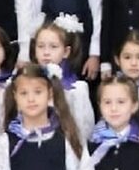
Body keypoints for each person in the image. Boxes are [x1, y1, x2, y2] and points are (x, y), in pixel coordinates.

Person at [26, 19, 98, 147]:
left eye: (53, 47)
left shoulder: (75, 90)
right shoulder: (24, 83)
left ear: (66, 52)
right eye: (41, 46)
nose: (46, 52)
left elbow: (84, 130)